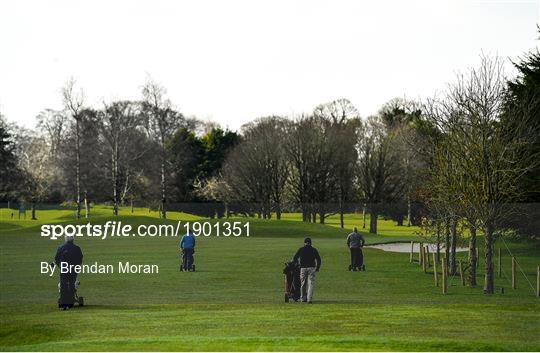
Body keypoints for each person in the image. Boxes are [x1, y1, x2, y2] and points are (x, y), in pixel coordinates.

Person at [54, 234, 83, 310]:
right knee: (72, 285)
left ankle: (63, 305)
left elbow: (57, 259)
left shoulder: (61, 248)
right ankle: (70, 303)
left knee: (63, 286)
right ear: (73, 239)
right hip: (73, 269)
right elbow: (80, 259)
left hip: (64, 269)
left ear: (65, 239)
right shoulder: (77, 248)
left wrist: (61, 267)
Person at [293, 237, 321, 303]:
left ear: (304, 243)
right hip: (311, 268)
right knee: (311, 283)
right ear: (311, 243)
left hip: (302, 268)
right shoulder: (314, 249)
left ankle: (303, 298)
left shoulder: (301, 249)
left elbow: (295, 258)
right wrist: (317, 268)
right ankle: (309, 299)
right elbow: (319, 259)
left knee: (303, 283)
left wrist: (297, 264)